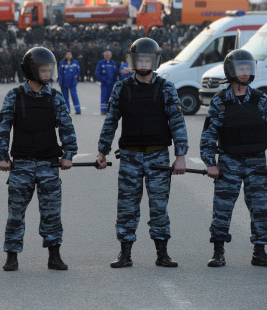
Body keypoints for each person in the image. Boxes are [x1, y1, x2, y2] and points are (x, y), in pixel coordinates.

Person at [96, 38, 188, 269]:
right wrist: (102, 152)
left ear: (154, 61)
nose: (144, 62)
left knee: (159, 206)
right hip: (130, 156)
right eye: (140, 58)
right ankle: (125, 253)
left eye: (148, 58)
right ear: (133, 61)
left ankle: (162, 253)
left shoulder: (166, 88)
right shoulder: (121, 88)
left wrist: (180, 155)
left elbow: (177, 122)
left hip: (158, 156)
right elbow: (110, 122)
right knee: (127, 206)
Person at [0, 47, 77, 272]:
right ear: (32, 71)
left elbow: (67, 128)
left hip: (49, 164)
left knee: (51, 213)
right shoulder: (15, 96)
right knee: (15, 214)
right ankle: (11, 256)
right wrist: (2, 156)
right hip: (21, 164)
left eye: (49, 69)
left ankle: (54, 255)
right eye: (43, 70)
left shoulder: (55, 97)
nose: (48, 74)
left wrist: (68, 155)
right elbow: (3, 128)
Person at [200, 49, 267, 268]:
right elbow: (209, 134)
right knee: (222, 207)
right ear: (231, 71)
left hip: (257, 162)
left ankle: (260, 251)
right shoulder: (221, 101)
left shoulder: (261, 100)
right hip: (229, 161)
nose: (245, 73)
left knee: (261, 207)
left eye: (248, 68)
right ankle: (218, 251)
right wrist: (210, 163)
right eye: (241, 69)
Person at [94, 50, 118, 115]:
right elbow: (97, 73)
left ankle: (110, 110)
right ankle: (103, 110)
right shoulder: (100, 63)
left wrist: (115, 82)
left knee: (111, 97)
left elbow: (116, 73)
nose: (107, 56)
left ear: (111, 56)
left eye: (108, 55)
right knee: (104, 96)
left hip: (111, 83)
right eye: (106, 55)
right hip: (104, 83)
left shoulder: (113, 63)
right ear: (104, 55)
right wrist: (103, 80)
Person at [58, 50, 81, 115]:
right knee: (65, 97)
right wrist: (60, 82)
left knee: (74, 96)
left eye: (70, 54)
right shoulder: (62, 63)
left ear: (71, 55)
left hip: (72, 82)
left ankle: (78, 110)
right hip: (64, 83)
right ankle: (67, 110)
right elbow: (60, 73)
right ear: (65, 55)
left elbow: (78, 71)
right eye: (67, 54)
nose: (68, 55)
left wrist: (76, 76)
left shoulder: (75, 62)